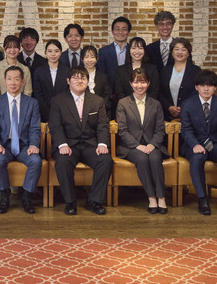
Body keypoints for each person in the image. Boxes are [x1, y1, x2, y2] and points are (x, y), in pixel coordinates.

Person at [49, 66, 112, 215]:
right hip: (68, 144)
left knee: (105, 160)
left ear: (88, 81)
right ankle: (70, 202)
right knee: (63, 162)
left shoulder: (97, 101)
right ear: (68, 81)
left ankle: (94, 201)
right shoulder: (58, 101)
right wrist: (62, 144)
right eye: (75, 78)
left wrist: (102, 144)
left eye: (83, 78)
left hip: (90, 144)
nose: (79, 81)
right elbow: (55, 126)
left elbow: (103, 125)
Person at [0, 66, 42, 214]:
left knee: (35, 160)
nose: (13, 83)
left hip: (24, 145)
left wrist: (34, 145)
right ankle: (4, 198)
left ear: (22, 82)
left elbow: (35, 128)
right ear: (4, 81)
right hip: (4, 145)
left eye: (16, 79)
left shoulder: (32, 103)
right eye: (9, 79)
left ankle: (26, 198)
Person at [180, 70, 217, 216]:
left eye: (210, 85)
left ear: (215, 87)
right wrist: (194, 144)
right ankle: (202, 198)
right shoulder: (187, 104)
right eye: (202, 85)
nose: (206, 89)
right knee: (198, 157)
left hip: (215, 145)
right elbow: (186, 130)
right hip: (193, 145)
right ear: (196, 87)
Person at [115, 68, 168, 214]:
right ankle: (151, 197)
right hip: (131, 147)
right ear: (131, 83)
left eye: (143, 82)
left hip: (152, 145)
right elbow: (122, 130)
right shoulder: (123, 103)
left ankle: (161, 197)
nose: (140, 86)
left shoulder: (156, 104)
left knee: (155, 158)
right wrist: (138, 146)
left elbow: (160, 129)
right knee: (142, 159)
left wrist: (152, 144)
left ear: (148, 83)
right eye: (136, 82)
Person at [159, 37, 201, 121]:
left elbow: (197, 91)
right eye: (176, 49)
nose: (180, 52)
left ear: (188, 53)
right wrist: (169, 107)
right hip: (167, 116)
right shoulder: (165, 71)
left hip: (190, 115)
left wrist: (183, 107)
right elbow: (160, 92)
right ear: (172, 52)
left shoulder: (196, 70)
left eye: (183, 50)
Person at [32, 39, 69, 123]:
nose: (53, 54)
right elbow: (37, 94)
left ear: (61, 53)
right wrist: (48, 113)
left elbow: (68, 93)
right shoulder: (39, 71)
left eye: (56, 51)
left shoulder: (67, 71)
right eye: (50, 51)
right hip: (43, 115)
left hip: (63, 114)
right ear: (45, 52)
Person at [114, 37, 160, 101]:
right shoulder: (121, 70)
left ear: (144, 50)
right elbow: (119, 92)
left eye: (140, 48)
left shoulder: (152, 69)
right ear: (129, 50)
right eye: (134, 48)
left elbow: (155, 91)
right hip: (126, 105)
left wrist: (144, 103)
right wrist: (130, 105)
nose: (137, 51)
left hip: (148, 105)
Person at [98, 16, 132, 88]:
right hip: (110, 91)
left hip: (130, 90)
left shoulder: (134, 51)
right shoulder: (103, 52)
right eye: (117, 29)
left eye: (124, 29)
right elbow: (101, 75)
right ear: (112, 31)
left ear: (128, 31)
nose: (120, 32)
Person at [80, 45, 111, 115]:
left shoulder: (103, 76)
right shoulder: (77, 76)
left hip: (100, 111)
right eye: (86, 57)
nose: (89, 60)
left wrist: (100, 107)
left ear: (97, 58)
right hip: (81, 111)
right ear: (82, 59)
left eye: (92, 57)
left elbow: (106, 94)